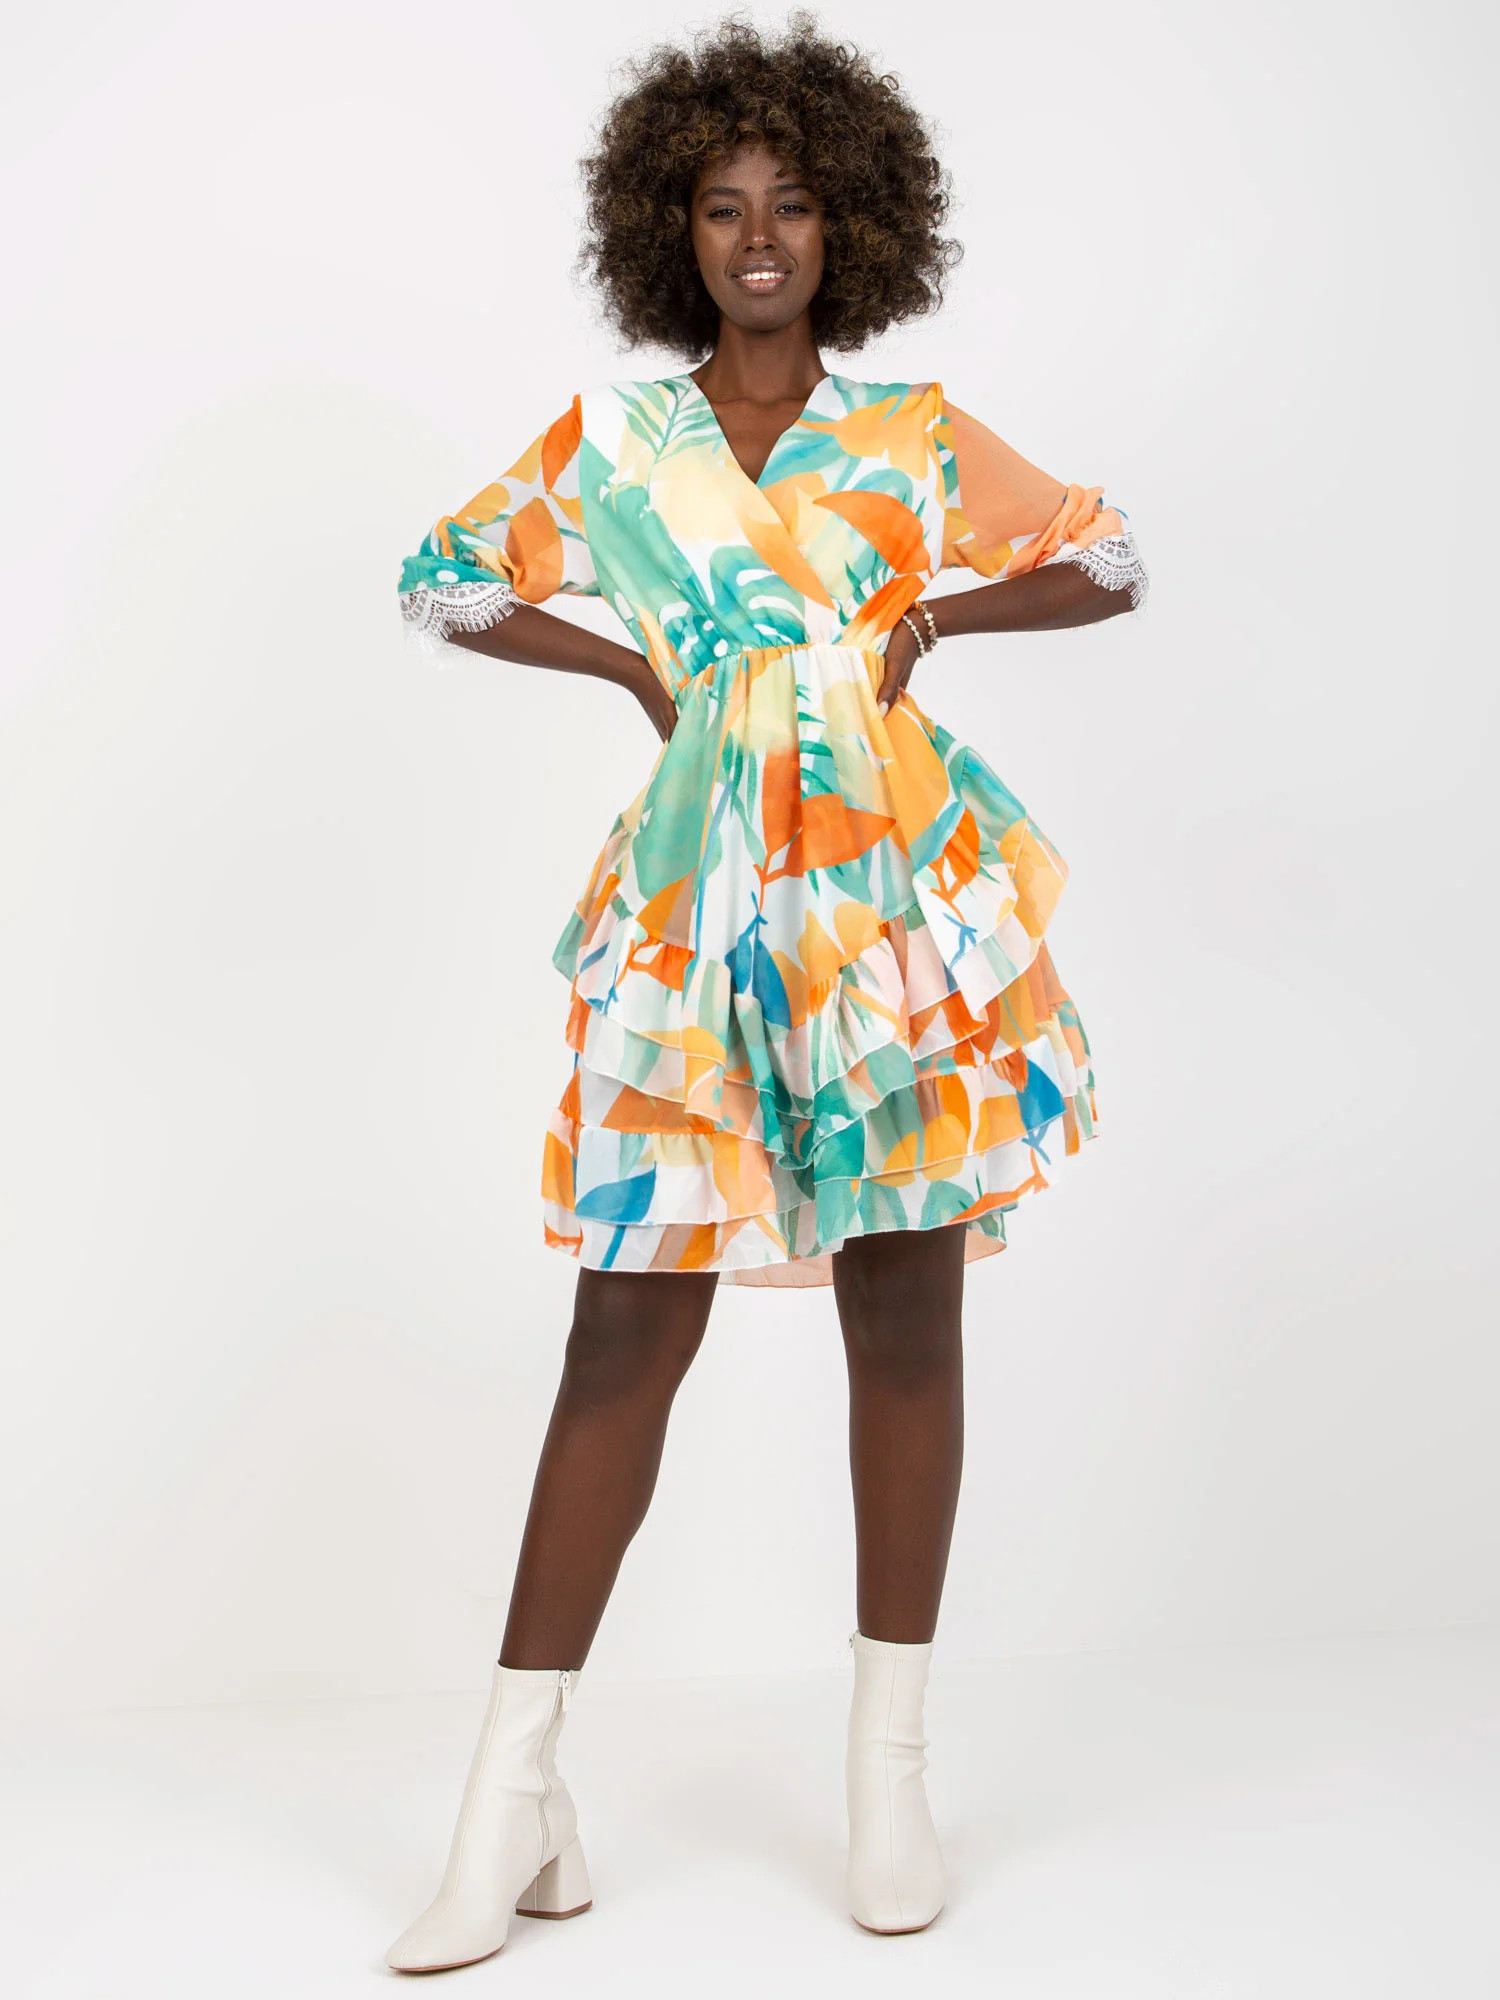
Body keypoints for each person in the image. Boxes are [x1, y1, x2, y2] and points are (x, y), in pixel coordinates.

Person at [385, 14, 1147, 1971]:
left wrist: (937, 612)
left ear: (846, 227)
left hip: (886, 901)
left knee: (905, 1311)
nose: (757, 238)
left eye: (792, 205)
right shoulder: (614, 446)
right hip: (697, 904)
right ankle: (509, 1798)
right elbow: (444, 578)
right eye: (722, 207)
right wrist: (632, 668)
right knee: (623, 1330)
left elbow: (1111, 559)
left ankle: (889, 1773)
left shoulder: (909, 436)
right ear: (675, 229)